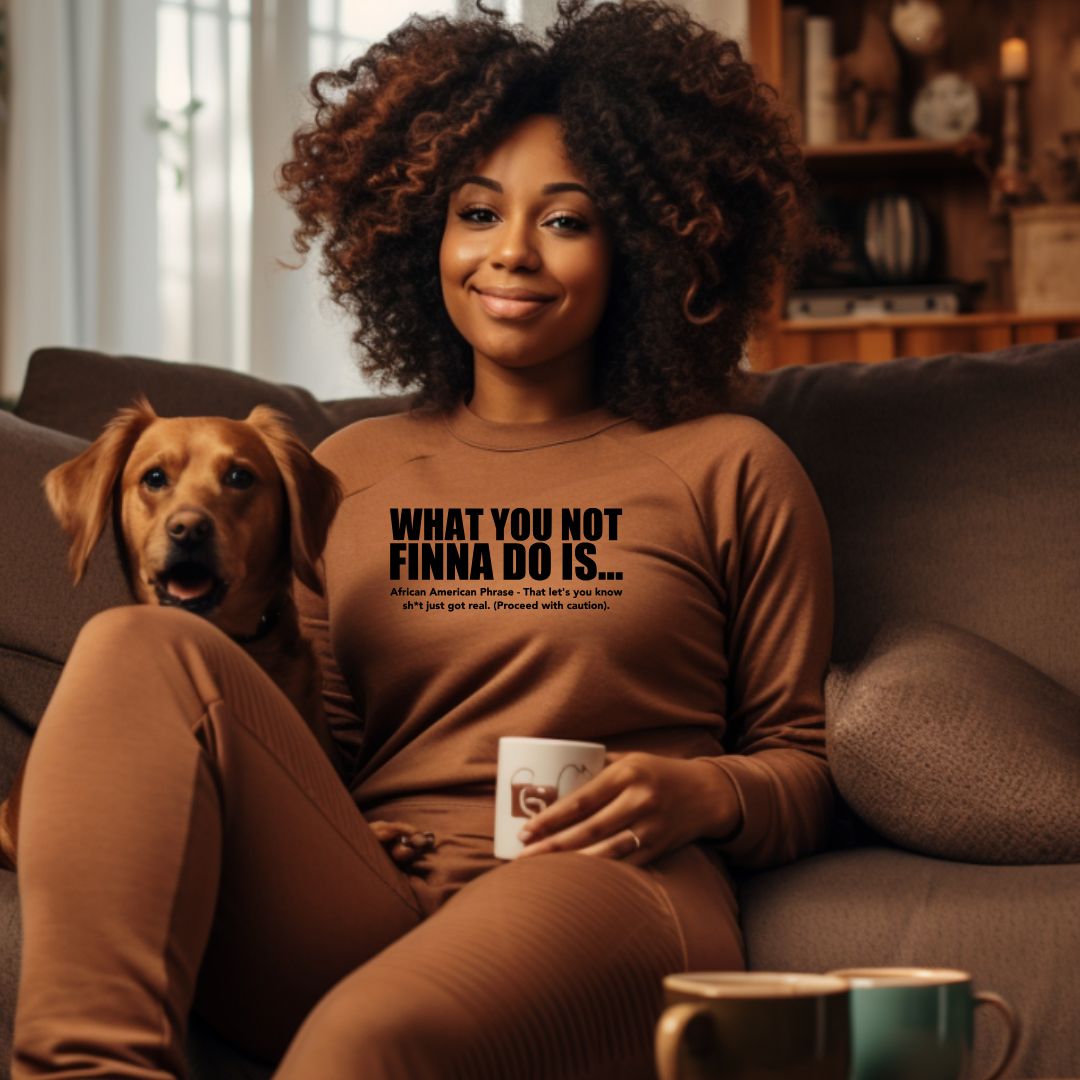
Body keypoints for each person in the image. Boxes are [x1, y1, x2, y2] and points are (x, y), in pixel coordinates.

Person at [11, 1, 838, 1077]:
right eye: (478, 212)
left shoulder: (731, 466)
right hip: (369, 884)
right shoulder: (345, 471)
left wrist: (703, 790)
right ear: (423, 237)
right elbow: (316, 741)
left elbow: (805, 767)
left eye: (568, 220)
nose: (513, 254)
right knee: (134, 645)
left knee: (363, 1046)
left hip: (607, 885)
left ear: (643, 242)